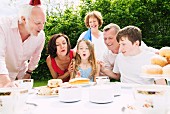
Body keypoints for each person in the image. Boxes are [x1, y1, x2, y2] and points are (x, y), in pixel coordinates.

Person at [0, 0, 46, 87]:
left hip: (18, 74)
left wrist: (29, 72)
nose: (41, 27)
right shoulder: (3, 26)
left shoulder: (40, 36)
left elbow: (36, 55)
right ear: (23, 19)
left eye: (43, 23)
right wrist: (4, 80)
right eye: (37, 23)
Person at [101, 25, 166, 85]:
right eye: (120, 44)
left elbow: (162, 86)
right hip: (124, 94)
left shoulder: (152, 59)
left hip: (145, 94)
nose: (120, 49)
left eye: (124, 44)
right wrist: (103, 69)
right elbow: (117, 75)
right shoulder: (119, 57)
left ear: (136, 43)